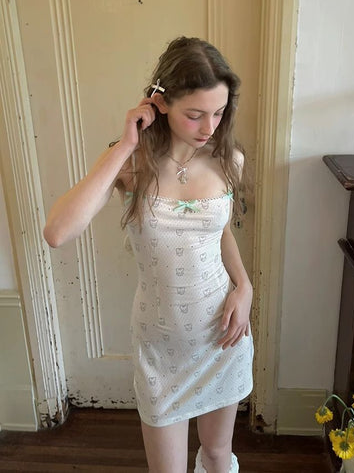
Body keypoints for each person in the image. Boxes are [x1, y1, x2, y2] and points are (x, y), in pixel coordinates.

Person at [44, 36, 254, 473]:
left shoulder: (228, 159)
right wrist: (124, 145)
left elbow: (218, 232)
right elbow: (57, 232)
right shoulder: (131, 164)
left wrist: (244, 285)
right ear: (160, 103)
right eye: (194, 114)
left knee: (218, 455)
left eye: (219, 112)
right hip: (162, 346)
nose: (209, 127)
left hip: (222, 335)